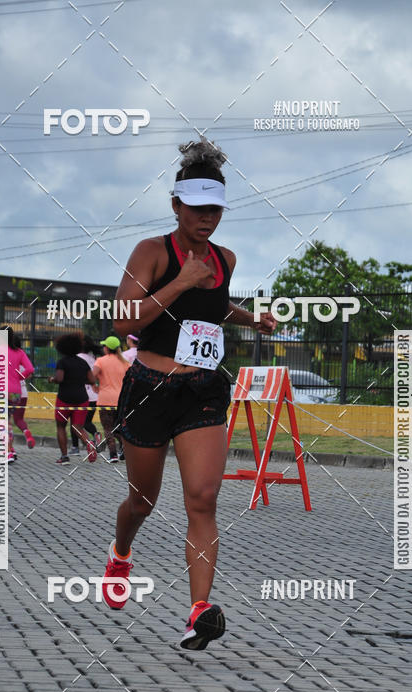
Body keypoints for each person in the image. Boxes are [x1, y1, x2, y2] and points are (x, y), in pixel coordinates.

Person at [103, 138, 276, 651]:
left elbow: (214, 306)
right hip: (149, 388)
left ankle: (200, 610)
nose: (207, 219)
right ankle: (121, 552)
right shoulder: (153, 252)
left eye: (216, 210)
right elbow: (123, 320)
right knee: (143, 501)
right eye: (198, 209)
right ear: (176, 205)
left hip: (202, 388)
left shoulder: (225, 257)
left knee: (202, 499)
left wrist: (253, 320)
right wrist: (179, 281)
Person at [49, 332, 98, 465]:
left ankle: (64, 457)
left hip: (64, 398)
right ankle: (89, 444)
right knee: (78, 427)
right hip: (82, 398)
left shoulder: (62, 362)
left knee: (61, 426)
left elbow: (60, 379)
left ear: (62, 348)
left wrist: (52, 380)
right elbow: (92, 380)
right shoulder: (83, 362)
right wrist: (79, 380)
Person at [93, 336, 130, 463]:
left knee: (108, 428)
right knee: (119, 428)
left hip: (105, 400)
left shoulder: (100, 361)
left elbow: (91, 376)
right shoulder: (125, 362)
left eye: (104, 346)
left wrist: (95, 386)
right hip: (121, 401)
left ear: (107, 348)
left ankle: (113, 454)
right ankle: (125, 450)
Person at [5, 327, 36, 463]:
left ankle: (9, 451)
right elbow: (30, 369)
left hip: (4, 390)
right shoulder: (20, 354)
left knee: (5, 422)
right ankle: (25, 436)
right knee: (17, 419)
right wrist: (20, 378)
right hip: (20, 392)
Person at [71, 335, 102, 456]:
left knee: (75, 423)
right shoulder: (94, 358)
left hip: (81, 395)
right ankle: (96, 434)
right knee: (87, 422)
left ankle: (75, 447)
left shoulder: (77, 358)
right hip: (94, 396)